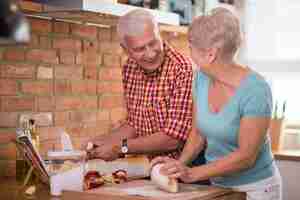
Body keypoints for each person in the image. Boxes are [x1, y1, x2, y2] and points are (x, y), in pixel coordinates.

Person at [151, 7, 282, 200]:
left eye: (190, 46)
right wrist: (178, 166)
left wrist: (192, 173)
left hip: (257, 189)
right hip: (217, 187)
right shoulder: (200, 79)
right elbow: (197, 134)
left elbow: (246, 156)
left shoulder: (256, 90)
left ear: (210, 54)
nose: (189, 52)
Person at [84, 9, 206, 167]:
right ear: (125, 49)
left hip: (187, 165)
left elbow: (173, 139)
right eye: (140, 49)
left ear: (159, 34)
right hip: (151, 166)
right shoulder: (130, 68)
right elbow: (135, 124)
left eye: (153, 43)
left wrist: (120, 147)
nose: (150, 54)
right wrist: (99, 142)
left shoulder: (182, 69)